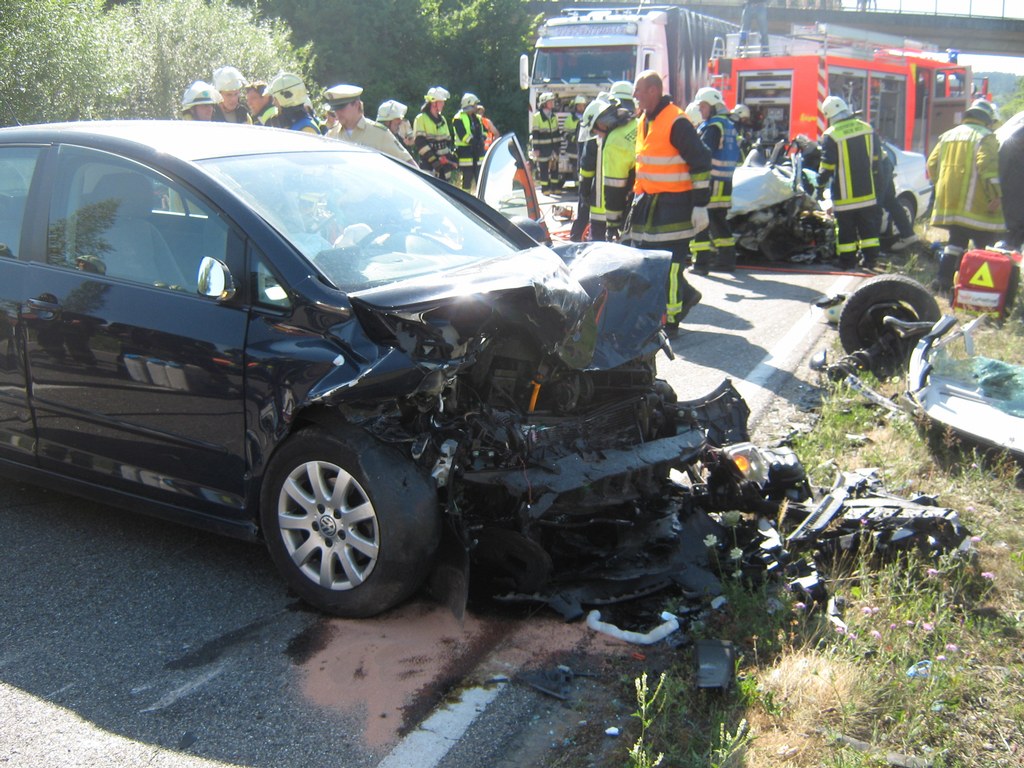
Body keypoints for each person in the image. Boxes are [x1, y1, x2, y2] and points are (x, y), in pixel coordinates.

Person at [622, 70, 712, 338]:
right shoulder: (644, 120)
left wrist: (701, 205)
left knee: (670, 266)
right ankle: (682, 299)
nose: (635, 95)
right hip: (648, 205)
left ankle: (671, 321)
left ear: (653, 90)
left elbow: (700, 161)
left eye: (638, 90)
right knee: (647, 263)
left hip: (675, 206)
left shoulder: (676, 121)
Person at [928, 98, 1004, 295]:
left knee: (955, 243)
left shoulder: (948, 136)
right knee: (984, 248)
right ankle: (977, 290)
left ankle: (942, 281)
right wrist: (996, 195)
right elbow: (987, 168)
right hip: (977, 205)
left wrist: (943, 186)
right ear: (987, 120)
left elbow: (931, 164)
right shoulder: (986, 137)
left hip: (951, 204)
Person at [817, 95, 881, 270]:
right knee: (868, 229)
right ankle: (871, 260)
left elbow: (827, 166)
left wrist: (819, 185)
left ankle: (847, 261)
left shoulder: (831, 134)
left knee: (846, 231)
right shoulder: (867, 128)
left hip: (844, 196)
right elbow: (877, 159)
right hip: (867, 192)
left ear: (829, 116)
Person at [691, 87, 740, 274]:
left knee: (702, 220)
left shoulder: (713, 127)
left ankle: (701, 262)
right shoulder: (727, 125)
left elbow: (703, 153)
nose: (700, 110)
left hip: (711, 181)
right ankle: (726, 260)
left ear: (712, 106)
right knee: (719, 220)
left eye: (703, 106)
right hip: (725, 180)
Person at [325, 84, 415, 165]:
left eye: (341, 108)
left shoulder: (379, 133)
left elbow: (409, 164)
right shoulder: (331, 135)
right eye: (335, 109)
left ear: (356, 105)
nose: (337, 112)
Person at [589, 96, 637, 242]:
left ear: (601, 124)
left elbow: (614, 188)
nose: (598, 136)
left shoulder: (614, 141)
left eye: (595, 131)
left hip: (638, 202)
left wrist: (612, 224)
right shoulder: (636, 124)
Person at [876, 140, 919, 252]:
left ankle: (874, 248)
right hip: (884, 164)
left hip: (880, 166)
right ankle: (908, 235)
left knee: (876, 205)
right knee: (890, 201)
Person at [413, 86, 458, 181]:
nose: (443, 104)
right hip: (428, 166)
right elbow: (420, 143)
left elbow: (447, 142)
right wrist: (434, 161)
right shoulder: (421, 119)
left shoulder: (443, 120)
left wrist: (450, 159)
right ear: (433, 103)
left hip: (444, 168)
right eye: (441, 102)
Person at [452, 93, 486, 191]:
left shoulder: (477, 118)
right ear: (469, 104)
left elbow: (483, 132)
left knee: (480, 179)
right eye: (475, 104)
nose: (476, 106)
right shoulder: (458, 118)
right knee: (467, 179)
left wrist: (482, 139)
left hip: (478, 153)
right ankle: (465, 198)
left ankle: (480, 198)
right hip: (465, 153)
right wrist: (475, 142)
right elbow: (463, 135)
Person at [531, 92, 561, 193]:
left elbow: (557, 132)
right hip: (543, 148)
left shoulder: (554, 116)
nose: (552, 103)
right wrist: (536, 149)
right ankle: (545, 189)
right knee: (543, 169)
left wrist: (558, 146)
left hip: (553, 148)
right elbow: (535, 134)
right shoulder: (537, 117)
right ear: (544, 103)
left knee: (554, 168)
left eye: (552, 101)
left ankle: (555, 188)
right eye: (550, 101)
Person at [563, 95, 589, 179]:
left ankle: (581, 184)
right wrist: (573, 138)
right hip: (573, 150)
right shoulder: (569, 119)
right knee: (575, 169)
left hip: (585, 149)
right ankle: (577, 184)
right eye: (579, 105)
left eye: (583, 105)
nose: (581, 107)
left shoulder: (587, 118)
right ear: (576, 106)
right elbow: (564, 133)